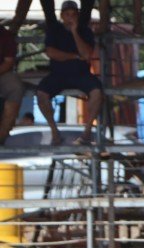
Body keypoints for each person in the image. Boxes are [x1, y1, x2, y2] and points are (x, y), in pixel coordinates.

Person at [36, 0, 103, 146]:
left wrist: (74, 32)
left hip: (81, 74)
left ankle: (86, 133)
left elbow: (86, 54)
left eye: (74, 14)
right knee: (41, 95)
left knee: (97, 92)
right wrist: (74, 56)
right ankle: (54, 131)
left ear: (78, 16)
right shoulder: (54, 30)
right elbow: (51, 53)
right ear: (62, 16)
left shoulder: (85, 31)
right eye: (67, 14)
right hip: (58, 74)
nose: (71, 17)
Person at [0, 25, 24, 144]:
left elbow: (8, 62)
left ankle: (2, 134)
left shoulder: (4, 34)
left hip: (2, 72)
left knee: (16, 88)